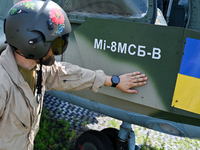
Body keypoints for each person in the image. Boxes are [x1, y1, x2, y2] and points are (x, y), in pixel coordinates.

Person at [0, 0, 148, 149]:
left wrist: (113, 81)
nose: (57, 51)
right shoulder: (3, 84)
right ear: (32, 44)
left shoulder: (37, 68)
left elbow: (68, 74)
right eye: (55, 45)